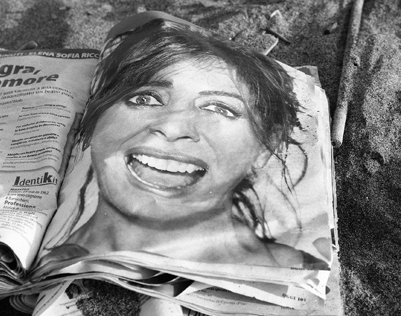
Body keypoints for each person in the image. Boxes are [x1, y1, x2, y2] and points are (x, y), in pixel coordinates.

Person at [39, 15, 329, 270]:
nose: (171, 127)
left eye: (218, 108)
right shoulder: (46, 260)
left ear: (266, 145)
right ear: (95, 118)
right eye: (145, 98)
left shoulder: (296, 274)